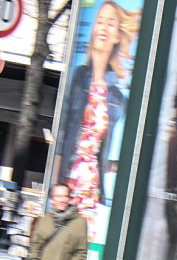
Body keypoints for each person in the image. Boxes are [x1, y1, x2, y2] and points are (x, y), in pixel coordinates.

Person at [57, 0, 135, 227]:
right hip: (66, 183)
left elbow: (108, 151)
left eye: (110, 23)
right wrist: (56, 184)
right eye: (99, 21)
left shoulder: (117, 97)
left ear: (117, 36)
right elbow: (63, 134)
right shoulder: (80, 76)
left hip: (91, 187)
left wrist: (121, 166)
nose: (102, 27)